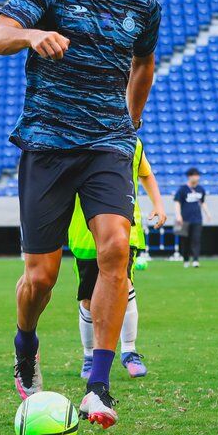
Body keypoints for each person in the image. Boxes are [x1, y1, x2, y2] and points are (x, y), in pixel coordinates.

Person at [0, 0, 160, 430]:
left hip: (107, 143)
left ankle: (98, 386)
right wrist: (32, 34)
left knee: (114, 248)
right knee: (42, 277)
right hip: (48, 144)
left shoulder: (143, 6)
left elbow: (144, 63)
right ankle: (26, 343)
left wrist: (130, 126)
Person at [69, 139, 167, 379]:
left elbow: (146, 174)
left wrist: (158, 204)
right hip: (84, 231)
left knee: (124, 284)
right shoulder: (77, 138)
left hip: (125, 228)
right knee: (88, 299)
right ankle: (89, 356)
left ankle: (129, 351)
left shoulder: (133, 143)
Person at [174, 167, 210, 267]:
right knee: (185, 240)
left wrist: (207, 213)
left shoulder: (201, 189)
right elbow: (177, 202)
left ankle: (195, 260)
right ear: (189, 177)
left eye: (197, 175)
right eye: (194, 175)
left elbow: (202, 202)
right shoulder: (183, 189)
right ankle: (185, 259)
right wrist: (178, 216)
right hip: (184, 219)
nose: (196, 177)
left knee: (196, 239)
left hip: (197, 219)